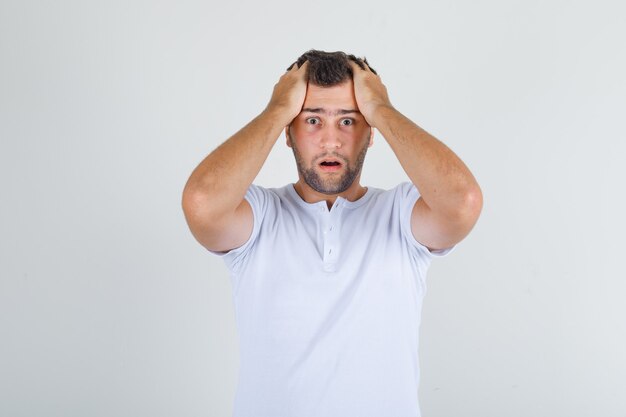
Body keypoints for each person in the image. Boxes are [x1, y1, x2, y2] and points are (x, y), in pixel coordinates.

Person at [181, 50, 483, 417]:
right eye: (311, 120)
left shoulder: (401, 216)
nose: (330, 141)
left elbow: (462, 203)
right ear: (288, 133)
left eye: (348, 121)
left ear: (371, 133)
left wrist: (380, 108)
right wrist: (277, 110)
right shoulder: (259, 218)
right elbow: (201, 204)